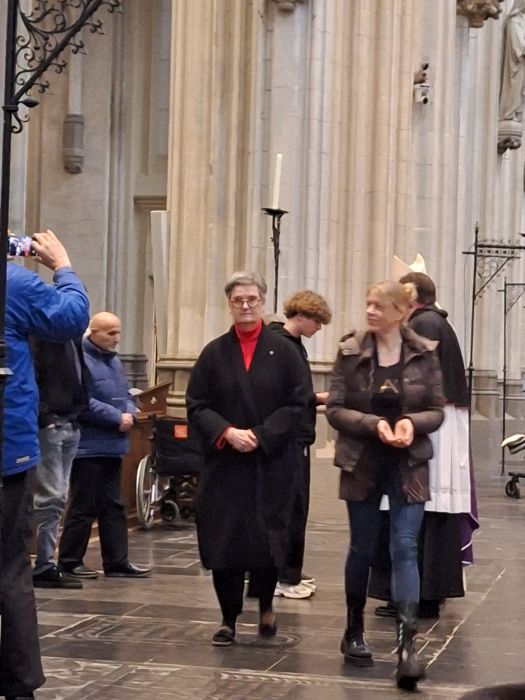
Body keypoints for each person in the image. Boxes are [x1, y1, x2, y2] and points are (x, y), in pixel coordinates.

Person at [326, 280, 444, 691]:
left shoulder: (425, 352)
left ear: (401, 311)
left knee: (405, 546)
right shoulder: (350, 351)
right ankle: (353, 629)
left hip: (408, 463)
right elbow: (335, 409)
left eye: (379, 305)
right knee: (362, 546)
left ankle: (407, 647)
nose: (371, 311)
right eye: (368, 304)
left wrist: (412, 423)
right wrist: (374, 424)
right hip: (362, 460)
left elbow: (437, 410)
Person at [186, 271, 310, 646]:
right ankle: (228, 618)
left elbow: (299, 402)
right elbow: (197, 404)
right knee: (224, 540)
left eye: (251, 299)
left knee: (266, 539)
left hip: (271, 462)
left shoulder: (284, 351)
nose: (245, 306)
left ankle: (266, 606)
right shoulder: (213, 353)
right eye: (238, 300)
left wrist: (261, 434)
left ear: (263, 302)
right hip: (226, 464)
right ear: (229, 304)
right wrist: (226, 432)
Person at [2, 229, 90, 700]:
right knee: (10, 568)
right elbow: (72, 317)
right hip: (6, 451)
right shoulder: (13, 284)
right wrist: (62, 265)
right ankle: (18, 682)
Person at [370, 271, 478, 619]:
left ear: (412, 298)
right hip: (435, 427)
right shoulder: (436, 321)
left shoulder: (424, 325)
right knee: (429, 512)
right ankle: (426, 593)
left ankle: (415, 596)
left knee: (417, 509)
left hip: (425, 430)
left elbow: (411, 379)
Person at [58, 312, 151, 579]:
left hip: (113, 444)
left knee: (114, 505)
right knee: (83, 506)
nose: (117, 338)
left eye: (118, 332)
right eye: (111, 333)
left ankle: (117, 561)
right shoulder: (80, 359)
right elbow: (82, 400)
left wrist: (130, 410)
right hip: (88, 445)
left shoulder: (114, 361)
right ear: (94, 332)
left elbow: (124, 394)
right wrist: (115, 417)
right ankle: (69, 561)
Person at [269, 290, 332, 600]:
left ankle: (289, 569)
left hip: (298, 436)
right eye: (317, 322)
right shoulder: (280, 344)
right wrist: (317, 398)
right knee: (287, 508)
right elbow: (281, 394)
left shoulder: (294, 345)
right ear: (303, 315)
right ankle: (280, 576)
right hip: (287, 438)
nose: (318, 328)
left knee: (296, 507)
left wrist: (315, 398)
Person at [31, 337, 89, 590]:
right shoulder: (41, 337)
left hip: (71, 423)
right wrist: (46, 418)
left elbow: (80, 377)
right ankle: (43, 564)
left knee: (60, 496)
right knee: (51, 497)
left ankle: (47, 563)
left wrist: (79, 412)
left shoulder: (73, 338)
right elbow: (33, 379)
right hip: (51, 425)